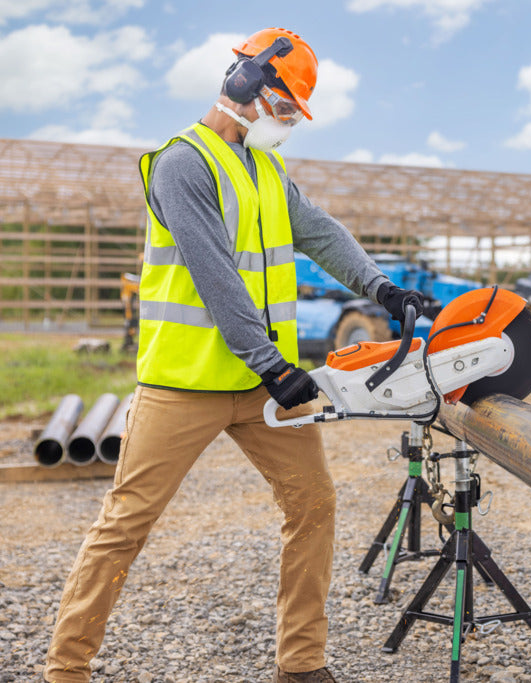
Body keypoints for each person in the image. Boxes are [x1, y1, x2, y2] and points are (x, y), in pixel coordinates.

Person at [44, 27, 424, 683]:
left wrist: (381, 286)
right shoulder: (182, 163)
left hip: (258, 388)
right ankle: (65, 669)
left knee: (313, 505)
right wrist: (274, 363)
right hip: (185, 385)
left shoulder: (266, 168)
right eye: (283, 106)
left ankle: (301, 663)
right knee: (125, 523)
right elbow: (216, 274)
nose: (285, 123)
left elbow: (322, 233)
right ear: (245, 84)